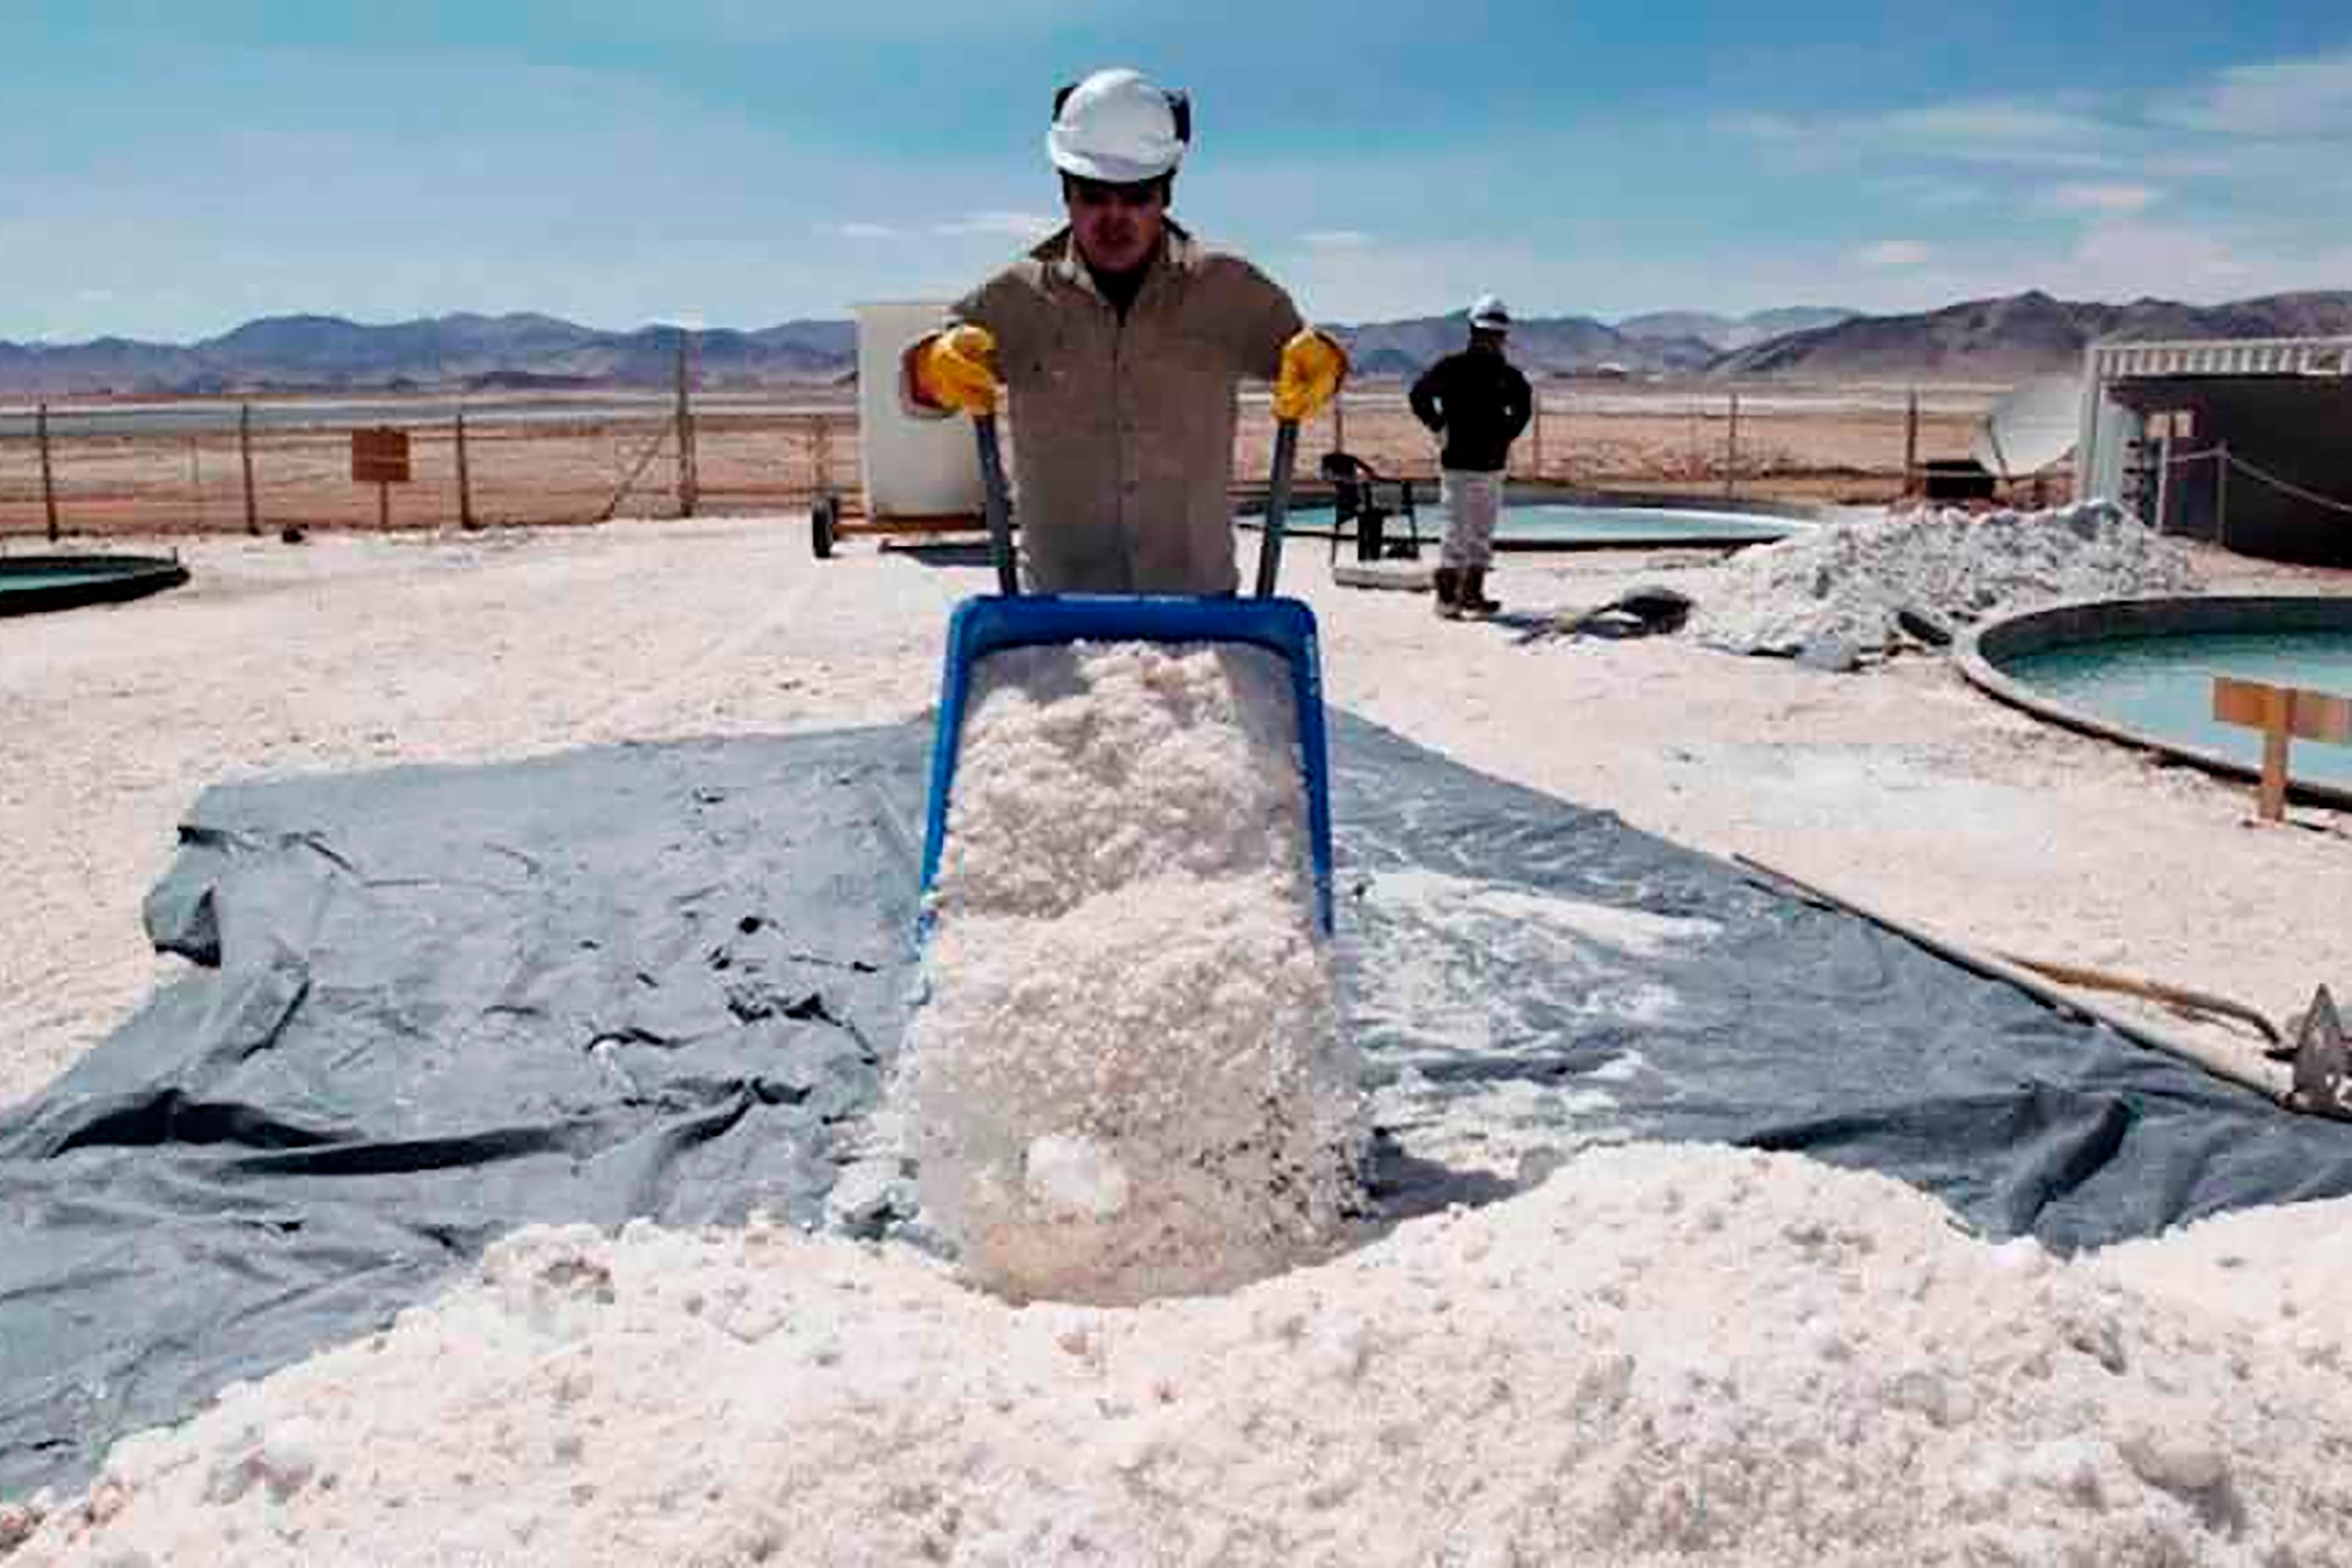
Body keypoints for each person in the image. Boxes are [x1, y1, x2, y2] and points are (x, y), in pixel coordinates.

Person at [902, 67, 1348, 594]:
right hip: (1059, 613)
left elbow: (1311, 360)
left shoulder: (1230, 289)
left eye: (1136, 196)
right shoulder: (1017, 296)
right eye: (1094, 195)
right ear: (1065, 191)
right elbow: (918, 393)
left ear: (1166, 193)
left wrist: (1328, 362)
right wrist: (931, 366)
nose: (1115, 217)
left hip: (1199, 608)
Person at [1408, 295, 1532, 619]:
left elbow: (1523, 408)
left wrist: (1505, 436)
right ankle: (1447, 597)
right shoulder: (1452, 369)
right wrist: (1437, 425)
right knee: (1455, 531)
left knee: (1481, 533)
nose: (1492, 340)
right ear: (1473, 332)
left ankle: (1472, 593)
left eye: (1497, 334)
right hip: (1458, 465)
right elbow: (1419, 395)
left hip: (1492, 465)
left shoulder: (1509, 376)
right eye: (1486, 333)